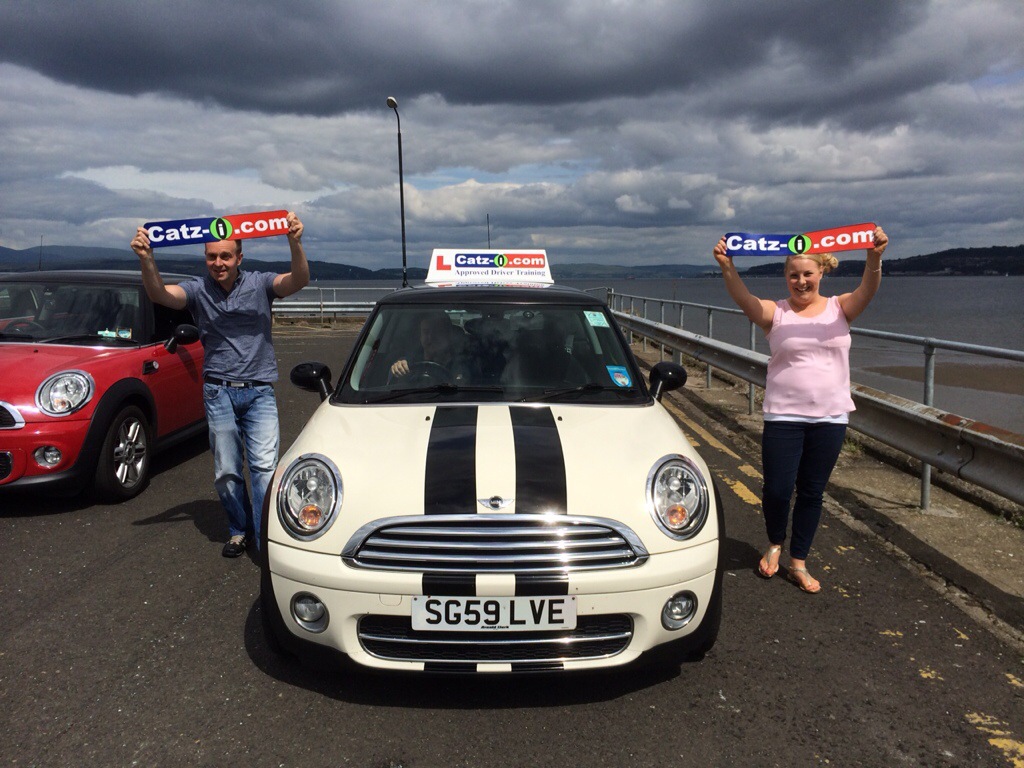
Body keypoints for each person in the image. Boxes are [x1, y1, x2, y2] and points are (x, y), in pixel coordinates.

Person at [712, 226, 889, 593]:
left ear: (821, 272)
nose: (801, 281)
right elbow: (744, 299)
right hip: (784, 416)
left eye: (808, 274)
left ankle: (798, 562)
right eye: (794, 275)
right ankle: (775, 542)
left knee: (811, 492)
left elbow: (868, 289)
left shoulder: (841, 308)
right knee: (778, 490)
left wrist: (874, 258)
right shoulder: (775, 312)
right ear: (786, 277)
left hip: (830, 417)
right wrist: (727, 267)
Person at [130, 213, 309, 558]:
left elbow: (298, 280)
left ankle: (265, 541)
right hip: (218, 391)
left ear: (240, 257)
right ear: (205, 259)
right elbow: (160, 295)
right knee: (226, 472)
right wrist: (146, 259)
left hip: (259, 391)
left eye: (226, 256)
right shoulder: (198, 290)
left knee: (263, 470)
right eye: (212, 256)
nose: (218, 263)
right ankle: (239, 529)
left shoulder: (260, 284)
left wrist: (295, 242)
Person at [389, 312, 472, 383]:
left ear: (448, 335)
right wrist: (398, 371)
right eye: (426, 332)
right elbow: (392, 391)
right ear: (420, 336)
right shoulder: (407, 363)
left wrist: (461, 384)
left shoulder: (463, 365)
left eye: (437, 332)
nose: (430, 337)